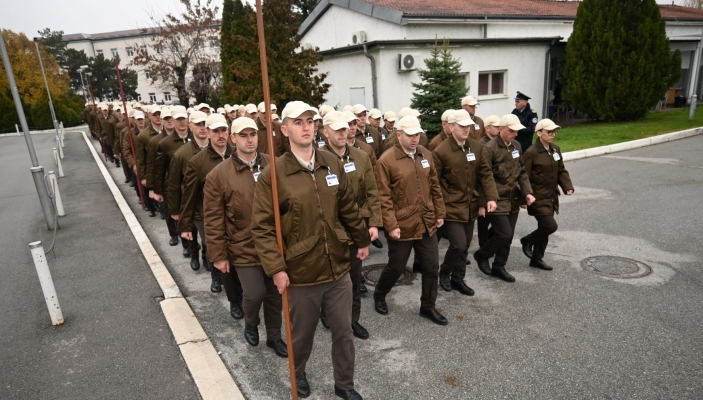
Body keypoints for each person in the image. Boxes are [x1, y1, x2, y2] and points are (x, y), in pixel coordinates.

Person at [251, 101, 370, 400]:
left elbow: (347, 207)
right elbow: (263, 227)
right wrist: (276, 269)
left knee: (343, 333)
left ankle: (344, 385)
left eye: (310, 120)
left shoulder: (331, 162)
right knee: (301, 336)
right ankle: (298, 372)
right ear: (284, 129)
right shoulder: (274, 174)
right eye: (298, 122)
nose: (306, 126)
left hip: (338, 267)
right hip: (301, 272)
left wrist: (361, 240)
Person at [203, 117, 287, 357]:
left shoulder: (274, 165)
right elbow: (213, 218)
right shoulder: (218, 175)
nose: (249, 139)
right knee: (254, 293)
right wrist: (218, 255)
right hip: (242, 244)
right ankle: (251, 322)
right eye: (243, 135)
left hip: (272, 243)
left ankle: (274, 336)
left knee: (275, 294)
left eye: (252, 134)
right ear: (233, 139)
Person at [373, 115, 447, 325]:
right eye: (410, 135)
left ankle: (428, 307)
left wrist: (439, 213)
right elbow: (383, 197)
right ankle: (379, 294)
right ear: (399, 135)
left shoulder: (425, 155)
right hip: (402, 224)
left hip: (426, 221)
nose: (415, 139)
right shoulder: (386, 161)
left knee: (432, 267)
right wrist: (391, 225)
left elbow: (434, 186)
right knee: (396, 267)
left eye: (417, 134)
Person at [319, 110, 382, 340]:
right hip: (330, 230)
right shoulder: (318, 158)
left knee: (355, 278)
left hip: (356, 226)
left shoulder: (361, 156)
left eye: (345, 128)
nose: (343, 133)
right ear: (325, 132)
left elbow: (373, 192)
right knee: (330, 276)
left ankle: (353, 320)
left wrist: (374, 222)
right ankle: (326, 311)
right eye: (337, 130)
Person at [179, 114, 244, 309]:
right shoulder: (198, 162)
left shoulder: (238, 155)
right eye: (215, 131)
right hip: (207, 215)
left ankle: (237, 288)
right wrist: (185, 225)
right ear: (207, 133)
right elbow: (189, 194)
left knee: (238, 255)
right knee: (215, 249)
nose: (220, 135)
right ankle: (227, 291)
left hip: (237, 215)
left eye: (224, 130)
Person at [432, 110, 498, 296]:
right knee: (458, 244)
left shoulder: (476, 148)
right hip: (450, 206)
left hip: (470, 206)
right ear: (451, 127)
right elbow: (434, 183)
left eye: (468, 126)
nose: (466, 129)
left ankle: (458, 279)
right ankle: (444, 272)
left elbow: (485, 174)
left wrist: (490, 198)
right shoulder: (440, 151)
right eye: (462, 126)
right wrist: (438, 210)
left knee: (465, 245)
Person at [473, 114, 535, 283]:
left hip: (513, 198)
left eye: (517, 131)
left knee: (508, 236)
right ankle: (481, 255)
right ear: (500, 129)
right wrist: (484, 202)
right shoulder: (489, 148)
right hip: (496, 198)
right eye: (511, 131)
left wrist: (527, 193)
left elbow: (521, 171)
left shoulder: (516, 146)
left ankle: (499, 266)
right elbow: (483, 177)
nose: (515, 134)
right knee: (504, 234)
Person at [520, 119, 574, 270]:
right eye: (549, 132)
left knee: (544, 228)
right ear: (539, 133)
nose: (553, 134)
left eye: (554, 131)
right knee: (549, 226)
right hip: (537, 197)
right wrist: (524, 196)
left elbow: (561, 170)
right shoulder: (531, 152)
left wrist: (567, 186)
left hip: (551, 196)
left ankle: (537, 258)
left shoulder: (555, 149)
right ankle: (527, 241)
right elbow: (524, 176)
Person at [168, 111, 208, 274]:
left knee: (209, 238)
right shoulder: (182, 154)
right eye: (198, 124)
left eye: (205, 124)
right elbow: (173, 184)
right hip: (189, 202)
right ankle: (193, 254)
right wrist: (175, 210)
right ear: (190, 126)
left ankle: (206, 257)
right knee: (191, 231)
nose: (202, 128)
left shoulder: (223, 150)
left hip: (208, 204)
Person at [153, 106, 192, 256]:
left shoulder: (195, 138)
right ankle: (186, 245)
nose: (182, 122)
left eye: (184, 118)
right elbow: (159, 169)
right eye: (178, 119)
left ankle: (195, 246)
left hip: (192, 186)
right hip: (174, 186)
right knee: (178, 216)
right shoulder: (165, 143)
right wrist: (157, 190)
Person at [477, 115, 501, 248]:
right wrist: (481, 202)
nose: (499, 129)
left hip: (497, 189)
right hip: (485, 190)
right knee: (483, 222)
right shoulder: (481, 145)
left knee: (499, 223)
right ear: (487, 128)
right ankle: (483, 247)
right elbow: (480, 175)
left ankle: (489, 244)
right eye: (496, 126)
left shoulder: (498, 143)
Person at [136, 105, 164, 217]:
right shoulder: (143, 135)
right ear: (148, 116)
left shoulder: (169, 131)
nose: (158, 117)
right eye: (155, 115)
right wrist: (142, 176)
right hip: (153, 170)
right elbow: (140, 157)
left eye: (159, 114)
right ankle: (156, 209)